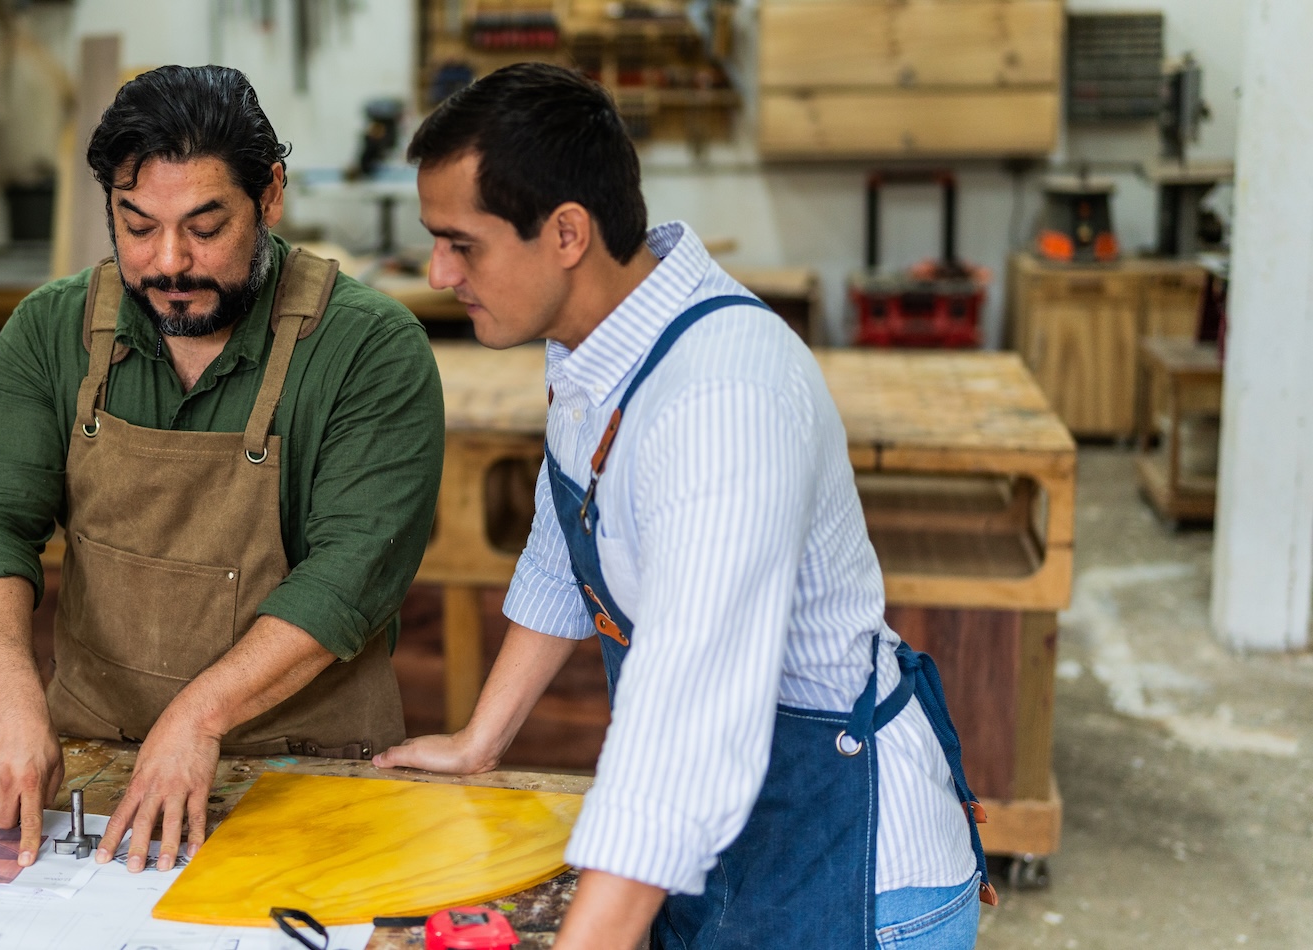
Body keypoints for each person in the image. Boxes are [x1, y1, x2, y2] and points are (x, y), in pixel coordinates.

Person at [373, 64, 989, 948]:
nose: (437, 272)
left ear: (567, 234)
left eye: (461, 243)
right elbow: (567, 545)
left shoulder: (720, 399)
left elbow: (685, 722)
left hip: (855, 884)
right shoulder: (596, 349)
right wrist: (481, 739)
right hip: (730, 860)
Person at [0, 65, 442, 873]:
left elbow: (349, 576)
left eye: (206, 227)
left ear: (269, 195)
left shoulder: (370, 349)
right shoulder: (51, 329)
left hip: (304, 768)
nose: (168, 262)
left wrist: (199, 718)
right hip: (95, 761)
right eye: (136, 227)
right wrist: (8, 690)